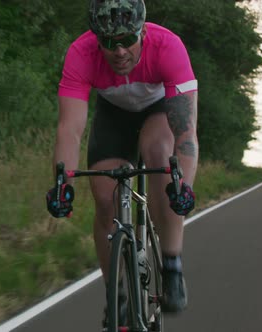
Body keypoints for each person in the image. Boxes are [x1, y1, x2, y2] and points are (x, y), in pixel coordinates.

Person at [45, 0, 198, 328]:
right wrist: (63, 185)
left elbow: (185, 135)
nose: (119, 51)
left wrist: (182, 186)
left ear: (143, 30)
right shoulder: (80, 54)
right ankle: (117, 294)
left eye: (128, 39)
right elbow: (69, 130)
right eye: (109, 43)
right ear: (95, 38)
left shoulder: (168, 47)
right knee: (103, 199)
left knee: (160, 154)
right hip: (113, 115)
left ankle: (171, 266)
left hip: (159, 108)